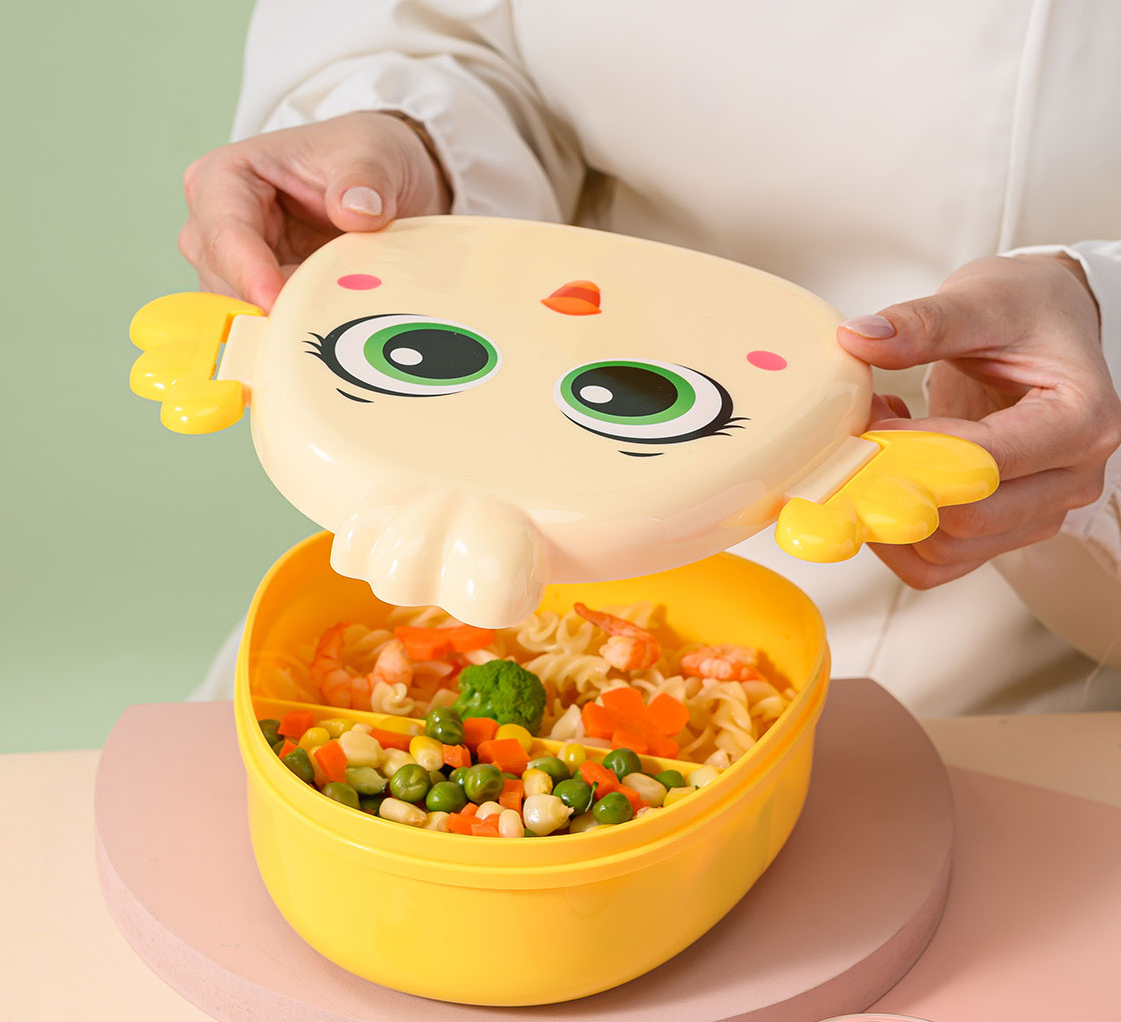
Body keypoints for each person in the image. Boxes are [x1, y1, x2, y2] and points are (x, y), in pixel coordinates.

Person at [181, 0, 1121, 715]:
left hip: (1023, 641)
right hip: (510, 497)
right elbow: (448, 33)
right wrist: (408, 142)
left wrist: (1104, 317)